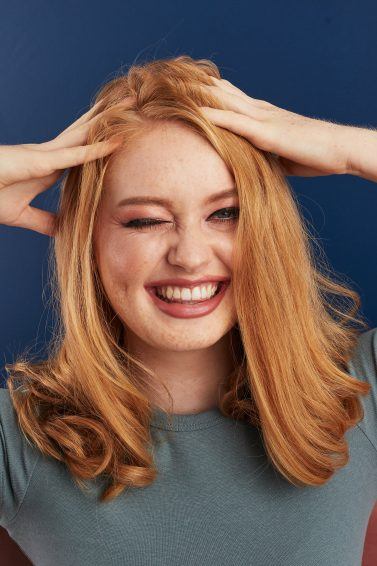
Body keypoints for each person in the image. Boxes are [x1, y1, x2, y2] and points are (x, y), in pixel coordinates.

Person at [0, 55, 376, 565]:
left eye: (225, 213)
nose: (191, 256)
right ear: (87, 237)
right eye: (146, 221)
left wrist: (349, 150)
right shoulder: (21, 440)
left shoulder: (359, 391)